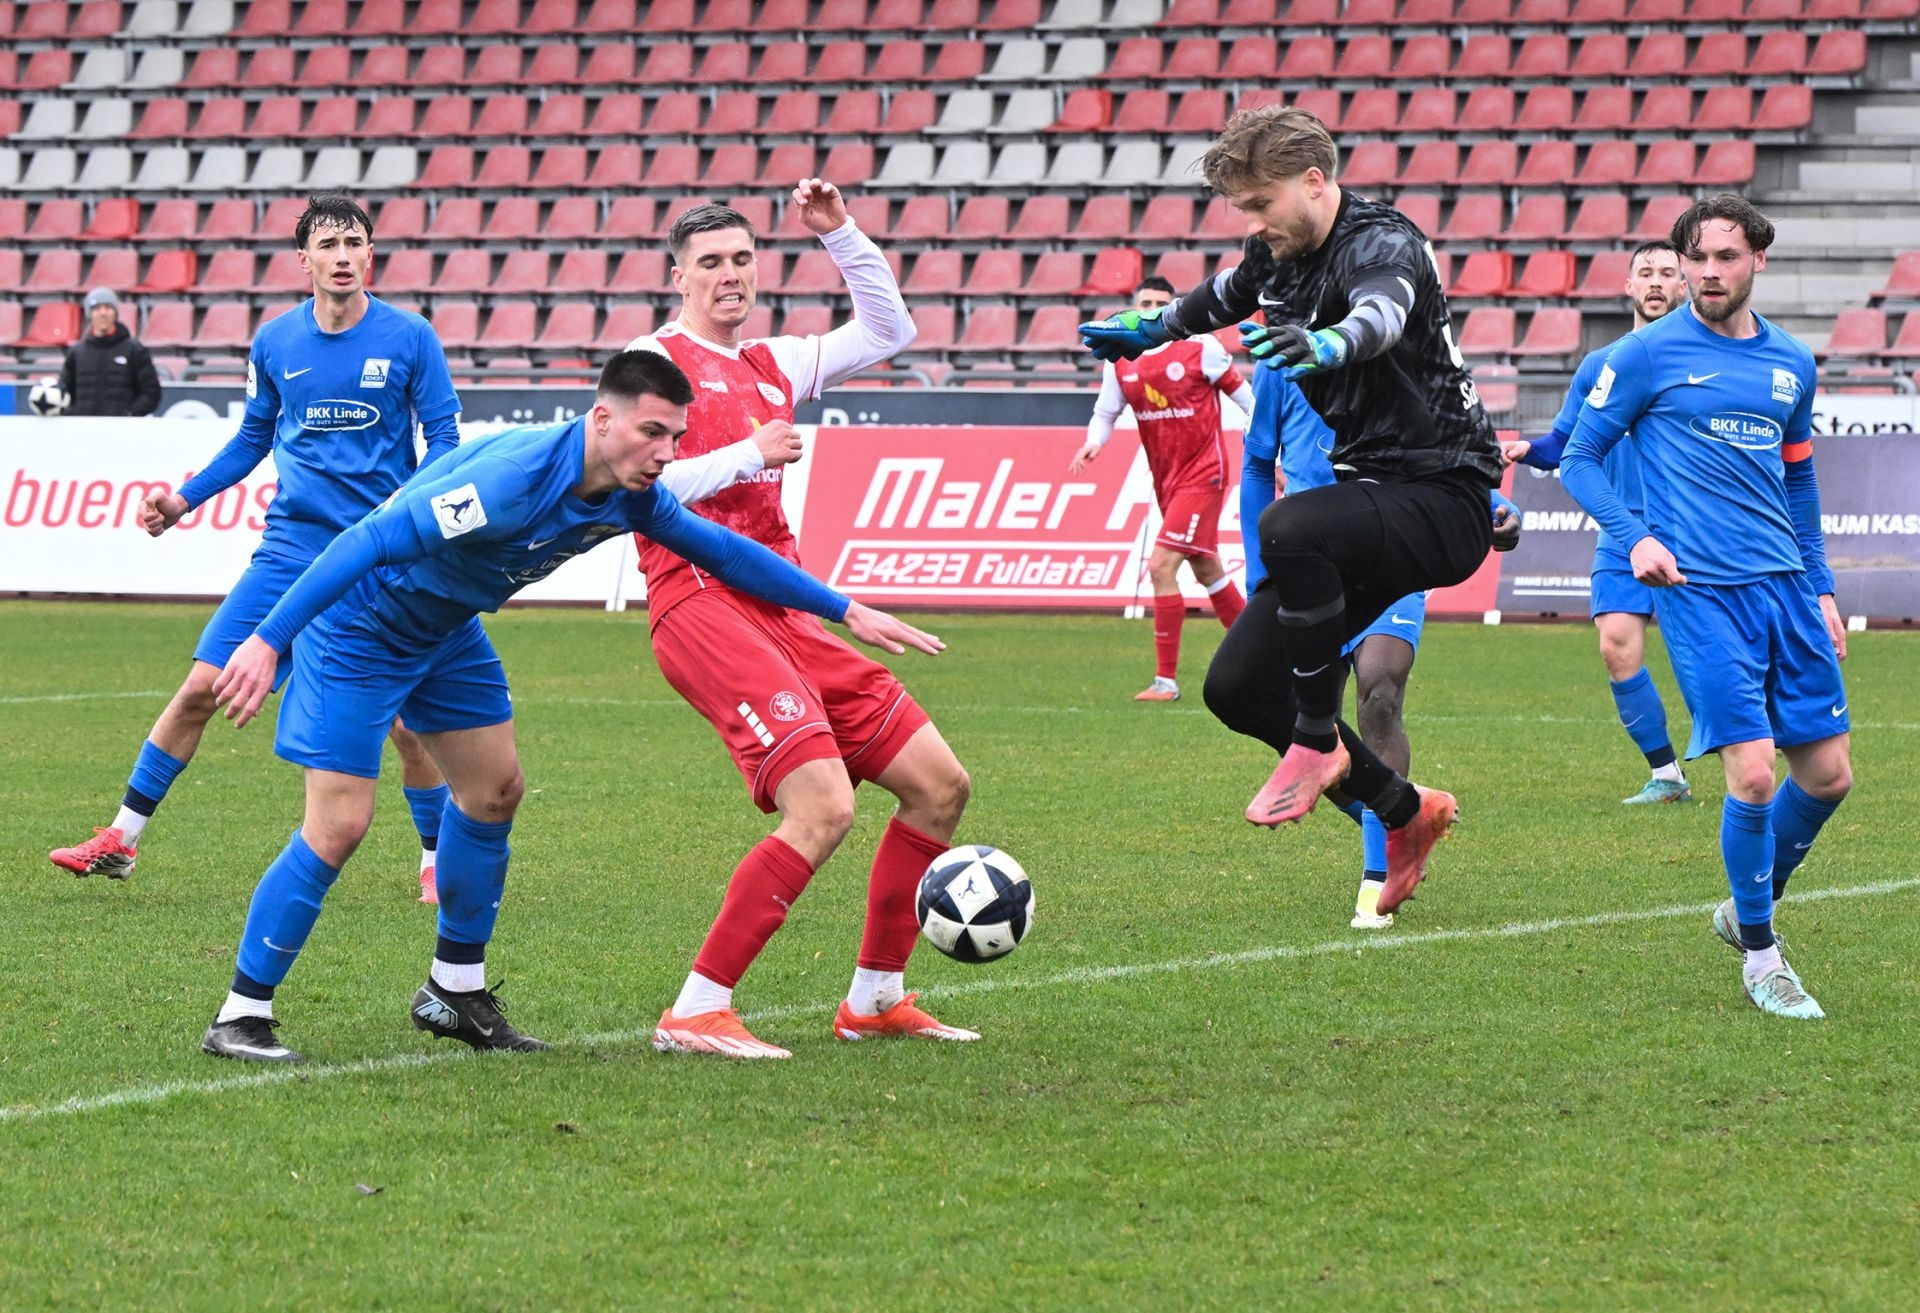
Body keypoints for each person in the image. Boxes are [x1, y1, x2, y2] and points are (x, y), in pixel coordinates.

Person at [201, 350, 944, 1063]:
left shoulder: (631, 495)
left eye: (675, 437)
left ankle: (454, 991)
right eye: (651, 432)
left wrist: (844, 608)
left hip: (444, 631)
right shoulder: (510, 481)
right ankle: (241, 1013)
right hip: (359, 629)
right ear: (602, 419)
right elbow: (366, 540)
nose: (665, 452)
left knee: (493, 793)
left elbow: (722, 551)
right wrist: (268, 640)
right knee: (340, 823)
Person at [1080, 105, 1503, 912]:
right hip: (1370, 497)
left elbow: (1379, 317)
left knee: (1289, 525)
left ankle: (1315, 737)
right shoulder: (1275, 254)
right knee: (1237, 687)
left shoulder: (1382, 242)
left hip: (1443, 496)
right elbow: (1219, 298)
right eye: (1242, 209)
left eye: (1260, 204)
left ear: (1314, 181)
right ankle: (1406, 812)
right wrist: (1148, 328)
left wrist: (1327, 343)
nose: (1253, 223)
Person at [627, 182, 976, 1060]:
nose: (731, 275)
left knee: (939, 784)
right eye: (711, 262)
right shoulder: (651, 359)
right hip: (699, 602)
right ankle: (696, 1008)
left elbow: (891, 330)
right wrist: (747, 452)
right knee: (821, 804)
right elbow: (635, 487)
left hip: (783, 602)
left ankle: (874, 998)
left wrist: (842, 235)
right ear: (678, 277)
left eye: (743, 259)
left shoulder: (773, 361)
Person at [49, 196, 458, 903]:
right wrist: (182, 501)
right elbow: (250, 440)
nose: (341, 256)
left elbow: (445, 440)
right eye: (327, 244)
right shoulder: (275, 342)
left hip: (378, 555)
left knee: (402, 722)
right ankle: (121, 838)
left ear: (370, 255)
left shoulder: (411, 336)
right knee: (199, 688)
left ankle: (434, 859)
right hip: (291, 549)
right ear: (304, 259)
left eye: (353, 243)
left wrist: (409, 521)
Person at [1561, 195, 1850, 1020]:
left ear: (1759, 260)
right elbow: (1579, 456)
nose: (1709, 272)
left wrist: (1822, 586)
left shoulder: (1791, 362)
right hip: (1700, 593)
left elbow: (1799, 480)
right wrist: (1636, 538)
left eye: (1727, 256)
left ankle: (1744, 904)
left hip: (1786, 588)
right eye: (1697, 258)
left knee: (1827, 776)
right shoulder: (1645, 354)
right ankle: (1763, 956)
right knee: (1753, 773)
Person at [1245, 367, 1520, 927]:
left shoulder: (1392, 352)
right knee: (1300, 720)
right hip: (1309, 563)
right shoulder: (1278, 364)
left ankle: (1376, 880)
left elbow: (1439, 453)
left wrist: (1493, 504)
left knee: (1380, 694)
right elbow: (1256, 465)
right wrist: (1257, 569)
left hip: (1390, 550)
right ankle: (1401, 812)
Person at [1502, 242, 1694, 806]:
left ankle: (1754, 758)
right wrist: (1530, 450)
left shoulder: (1700, 361)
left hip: (1693, 530)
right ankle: (1667, 776)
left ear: (1684, 286)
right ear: (1628, 287)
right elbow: (1567, 444)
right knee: (1616, 646)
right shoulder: (1599, 365)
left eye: (1667, 273)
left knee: (1709, 659)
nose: (1656, 282)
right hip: (1622, 530)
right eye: (1645, 273)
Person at [1069, 276, 1253, 702]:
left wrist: (1271, 453)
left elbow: (1248, 400)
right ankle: (1263, 657)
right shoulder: (1120, 358)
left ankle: (1165, 683)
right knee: (1206, 568)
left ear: (1172, 310)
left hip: (1204, 474)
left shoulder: (1200, 347)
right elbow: (1105, 412)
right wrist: (1094, 442)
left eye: (1159, 304)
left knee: (1160, 567)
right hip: (1166, 480)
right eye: (1144, 303)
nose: (1150, 309)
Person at [58, 287, 161, 418]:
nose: (103, 313)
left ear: (115, 313)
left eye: (108, 308)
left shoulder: (135, 350)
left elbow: (151, 392)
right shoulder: (76, 352)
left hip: (121, 428)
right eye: (97, 309)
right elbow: (64, 391)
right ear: (89, 314)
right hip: (83, 427)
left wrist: (130, 415)